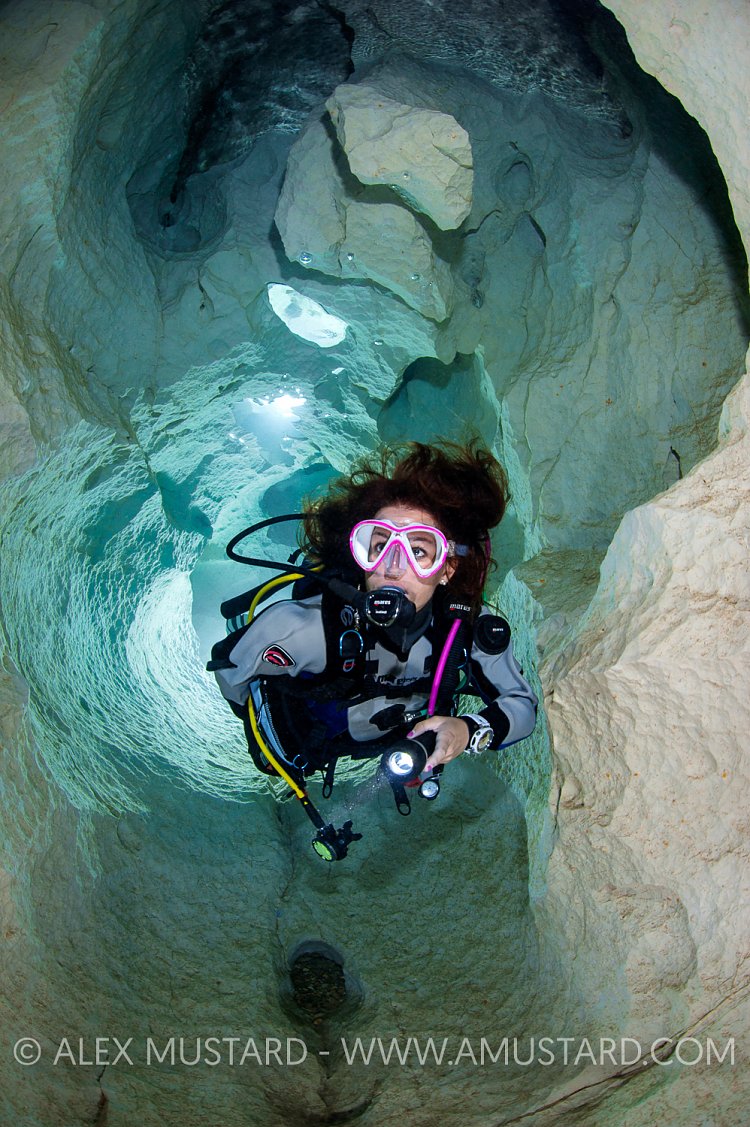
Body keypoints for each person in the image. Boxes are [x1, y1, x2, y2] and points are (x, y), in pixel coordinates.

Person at [211, 440, 537, 857]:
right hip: (320, 737)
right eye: (379, 545)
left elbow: (522, 707)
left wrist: (469, 730)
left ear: (446, 569)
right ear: (360, 554)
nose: (393, 566)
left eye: (419, 550)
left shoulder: (466, 633)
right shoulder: (300, 629)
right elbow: (233, 677)